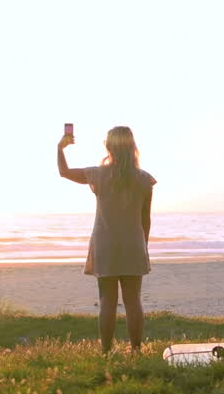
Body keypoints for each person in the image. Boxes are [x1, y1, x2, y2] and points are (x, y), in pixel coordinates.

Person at [57, 126, 156, 353]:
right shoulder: (143, 179)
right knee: (133, 302)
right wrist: (144, 247)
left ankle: (106, 352)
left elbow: (64, 171)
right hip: (133, 245)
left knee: (107, 302)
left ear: (108, 146)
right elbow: (145, 220)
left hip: (106, 245)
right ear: (132, 147)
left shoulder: (98, 174)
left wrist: (60, 148)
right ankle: (136, 350)